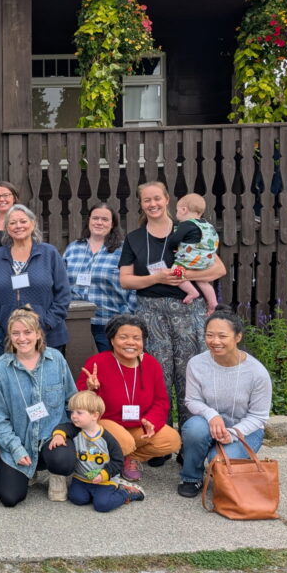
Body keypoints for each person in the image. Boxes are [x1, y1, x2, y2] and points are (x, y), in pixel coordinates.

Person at [119, 181, 227, 430]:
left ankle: (191, 438)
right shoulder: (134, 238)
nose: (152, 204)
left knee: (190, 375)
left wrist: (185, 275)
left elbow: (218, 268)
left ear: (167, 199)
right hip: (151, 312)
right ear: (141, 204)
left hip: (188, 311)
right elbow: (125, 280)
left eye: (157, 198)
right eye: (147, 200)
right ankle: (159, 436)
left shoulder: (188, 228)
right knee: (158, 377)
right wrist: (156, 278)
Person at [177, 308, 272, 498]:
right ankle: (191, 477)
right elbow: (192, 400)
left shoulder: (257, 372)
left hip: (245, 430)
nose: (215, 341)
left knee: (218, 461)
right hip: (208, 424)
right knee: (194, 429)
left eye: (222, 336)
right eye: (209, 335)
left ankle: (219, 454)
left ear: (238, 337)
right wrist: (212, 416)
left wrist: (233, 433)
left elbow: (259, 417)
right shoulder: (197, 363)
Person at [0, 308, 77, 508]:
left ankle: (55, 474)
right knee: (10, 497)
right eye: (16, 333)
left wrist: (63, 432)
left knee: (63, 461)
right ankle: (31, 468)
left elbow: (72, 401)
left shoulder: (56, 360)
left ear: (38, 334)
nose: (22, 338)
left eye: (27, 332)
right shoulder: (0, 369)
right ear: (9, 337)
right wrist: (16, 450)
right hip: (19, 440)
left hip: (51, 437)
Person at [77, 315, 182, 481]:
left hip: (138, 424)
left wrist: (151, 420)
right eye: (123, 337)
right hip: (106, 422)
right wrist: (90, 389)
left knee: (172, 440)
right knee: (124, 442)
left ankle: (128, 458)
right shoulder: (97, 362)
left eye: (136, 338)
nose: (131, 343)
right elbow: (80, 403)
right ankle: (119, 455)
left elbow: (161, 401)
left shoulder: (151, 364)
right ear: (112, 340)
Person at [0, 204, 71, 357]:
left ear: (33, 224)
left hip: (48, 335)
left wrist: (47, 322)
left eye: (23, 221)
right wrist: (1, 320)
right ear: (6, 228)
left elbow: (63, 294)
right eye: (12, 223)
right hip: (11, 337)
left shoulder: (49, 253)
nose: (18, 226)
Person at [47, 390, 146, 512]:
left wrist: (104, 474)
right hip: (82, 479)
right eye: (72, 412)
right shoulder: (76, 430)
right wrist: (59, 436)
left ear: (94, 415)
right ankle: (95, 494)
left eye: (79, 412)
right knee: (77, 499)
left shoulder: (107, 438)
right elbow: (63, 427)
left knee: (102, 505)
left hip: (104, 480)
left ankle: (126, 493)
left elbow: (118, 460)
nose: (73, 416)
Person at [63, 203, 136, 353]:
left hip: (109, 322)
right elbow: (60, 282)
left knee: (111, 369)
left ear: (113, 223)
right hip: (75, 321)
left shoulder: (123, 250)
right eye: (95, 218)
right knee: (79, 368)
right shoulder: (74, 248)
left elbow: (134, 285)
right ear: (89, 220)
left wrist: (126, 315)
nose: (99, 222)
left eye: (104, 219)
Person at [169, 193, 220, 313]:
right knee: (202, 280)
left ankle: (191, 292)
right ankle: (213, 302)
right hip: (207, 260)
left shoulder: (186, 224)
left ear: (183, 210)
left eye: (177, 211)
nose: (176, 214)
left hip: (191, 258)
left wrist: (172, 247)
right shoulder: (207, 225)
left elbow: (175, 239)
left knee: (175, 272)